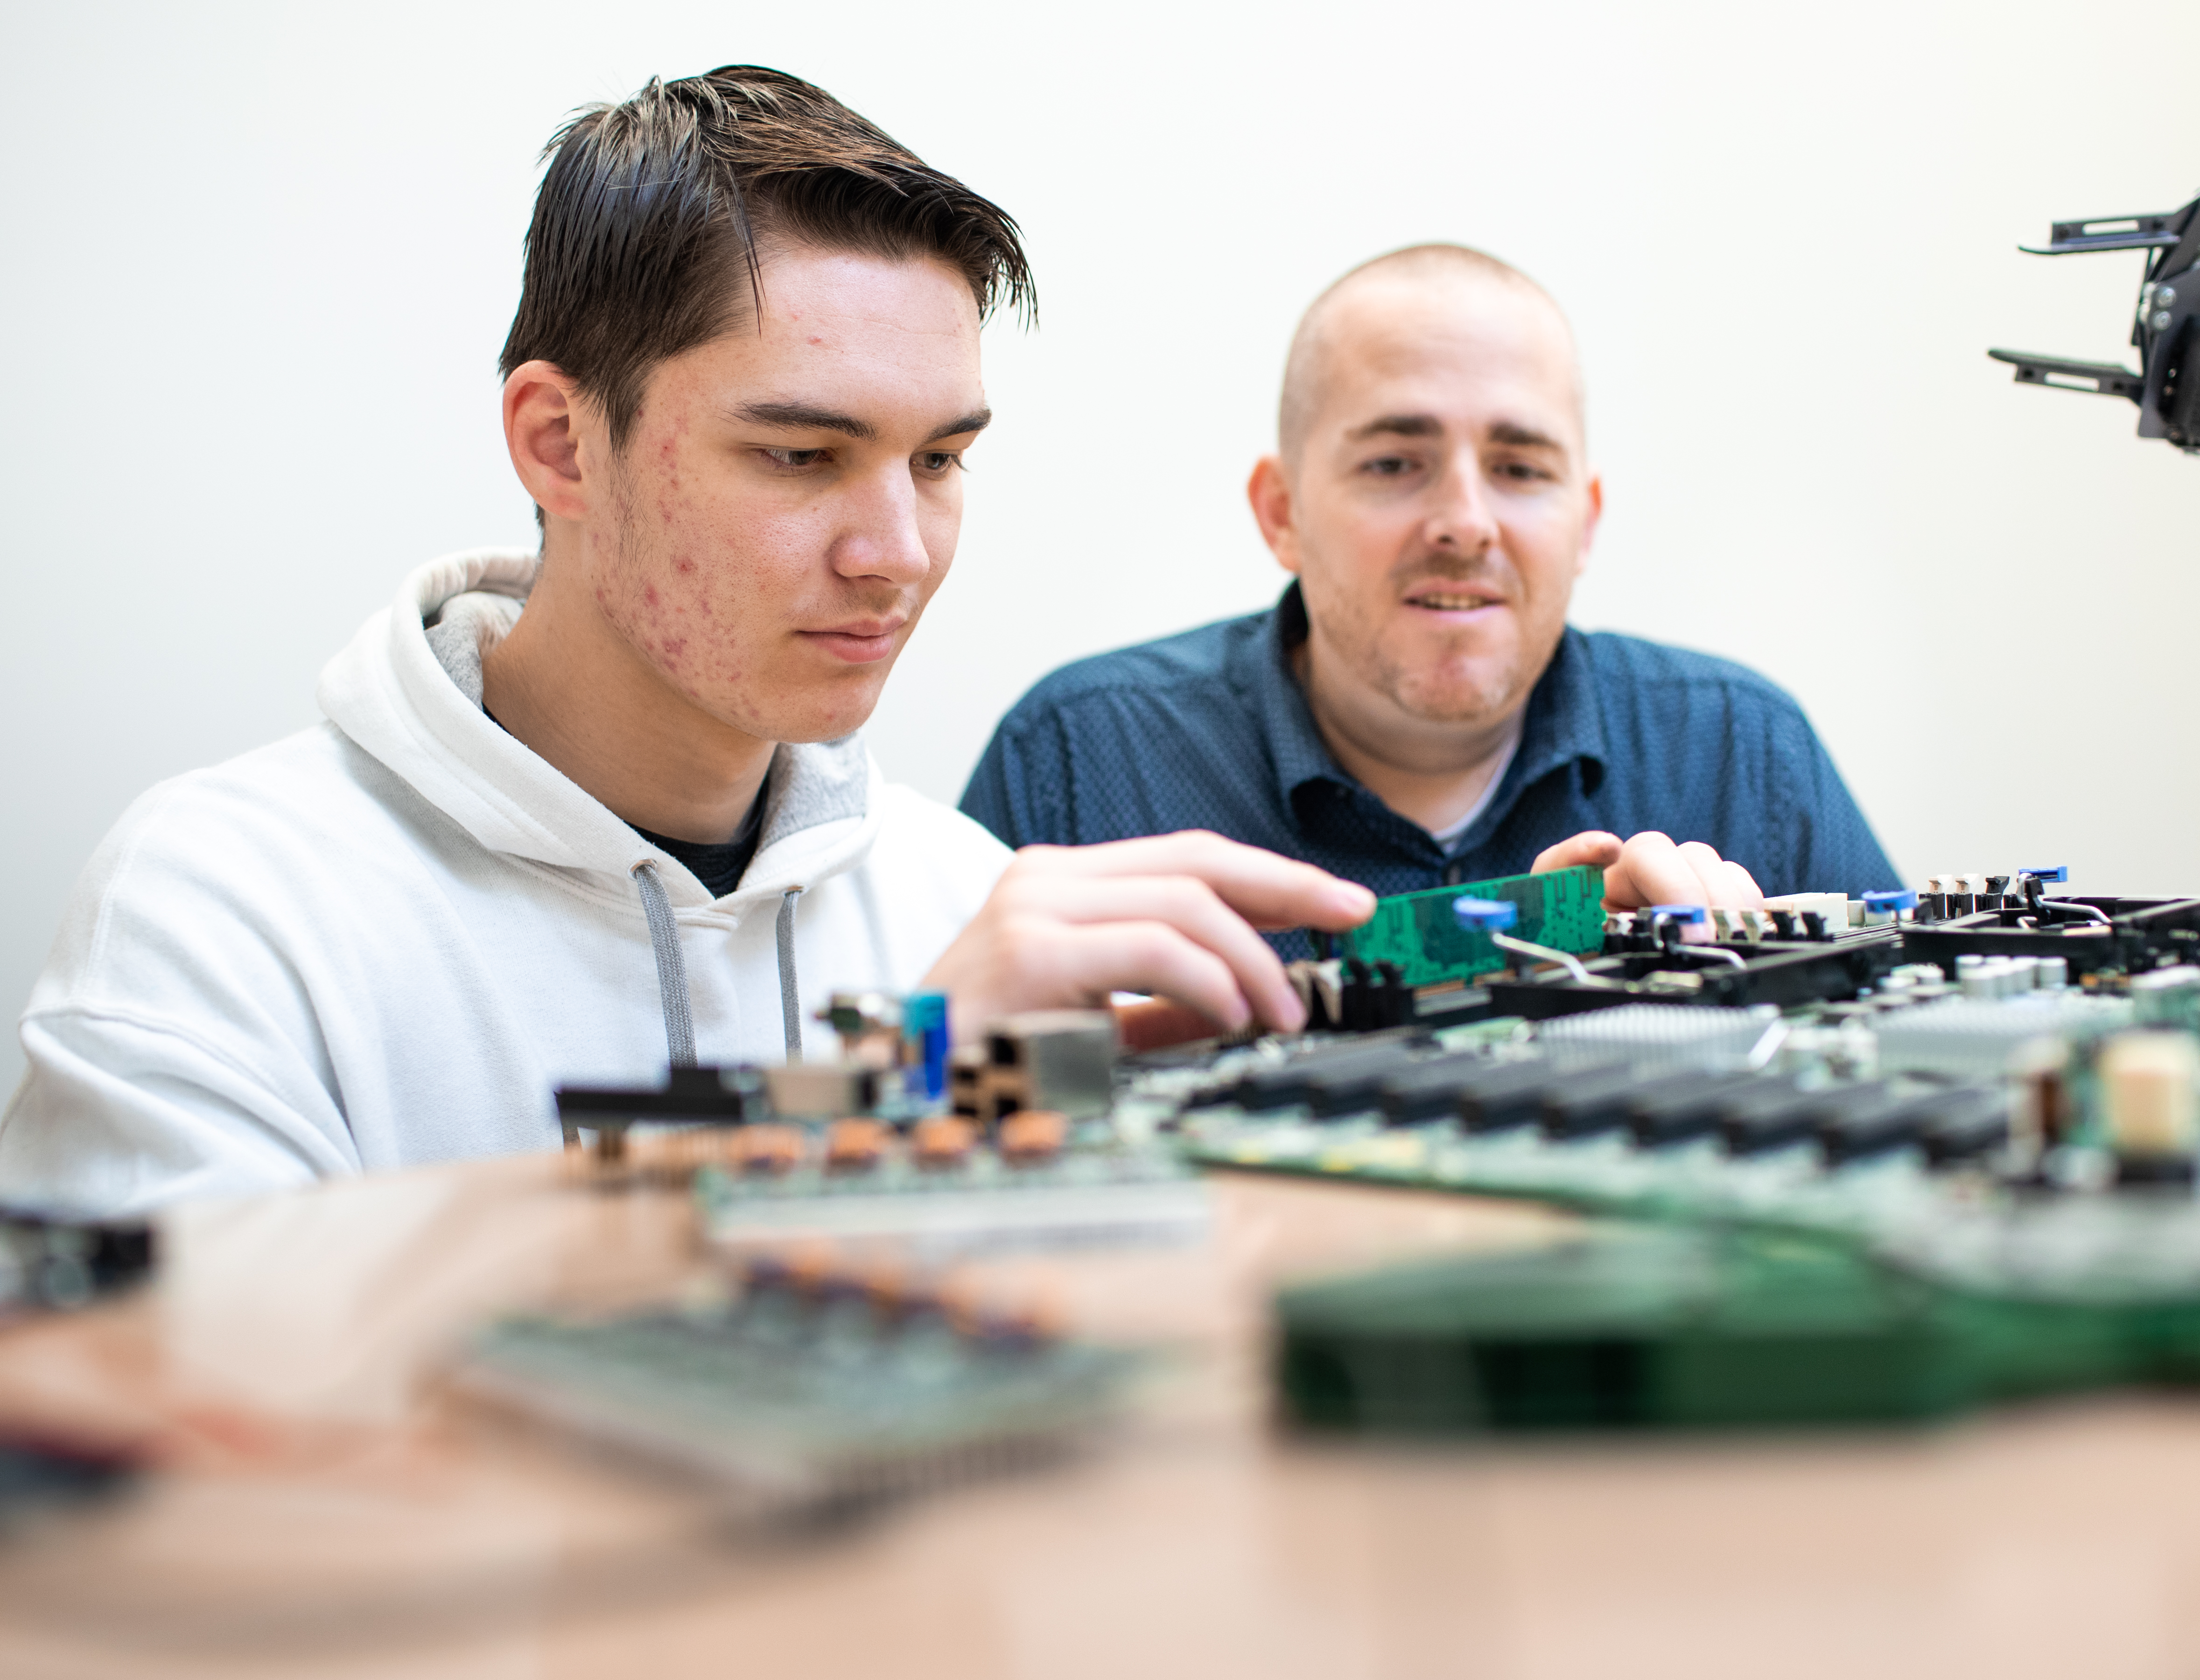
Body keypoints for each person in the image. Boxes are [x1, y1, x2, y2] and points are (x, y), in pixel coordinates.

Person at [0, 67, 1377, 1216]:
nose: (896, 549)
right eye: (797, 454)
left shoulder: (961, 900)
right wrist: (880, 1098)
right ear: (559, 444)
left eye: (941, 458)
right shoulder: (221, 917)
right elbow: (178, 1481)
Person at [961, 245, 1898, 945]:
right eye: (1396, 463)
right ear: (1280, 511)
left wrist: (1722, 989)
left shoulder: (1746, 753)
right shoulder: (1077, 761)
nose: (1464, 522)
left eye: (1520, 467)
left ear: (1588, 520)